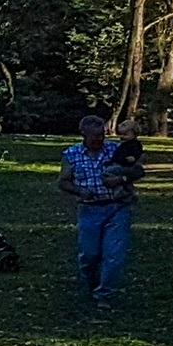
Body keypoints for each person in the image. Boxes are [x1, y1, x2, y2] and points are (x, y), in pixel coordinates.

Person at [59, 112, 140, 305]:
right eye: (95, 136)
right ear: (83, 134)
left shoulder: (116, 150)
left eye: (102, 135)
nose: (99, 139)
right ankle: (91, 285)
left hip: (117, 208)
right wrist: (80, 191)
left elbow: (138, 170)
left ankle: (105, 295)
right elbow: (63, 182)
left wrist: (121, 179)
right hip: (89, 210)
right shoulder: (71, 155)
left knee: (114, 255)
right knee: (90, 255)